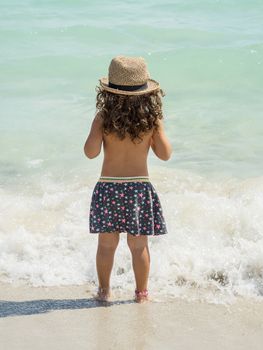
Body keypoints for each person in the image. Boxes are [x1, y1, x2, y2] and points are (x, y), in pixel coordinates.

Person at [83, 55, 172, 303]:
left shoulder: (103, 118)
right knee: (139, 245)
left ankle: (104, 291)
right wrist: (158, 128)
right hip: (138, 188)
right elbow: (165, 154)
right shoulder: (151, 121)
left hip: (109, 188)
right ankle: (141, 294)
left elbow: (90, 153)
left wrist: (98, 128)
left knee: (106, 245)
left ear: (109, 91)